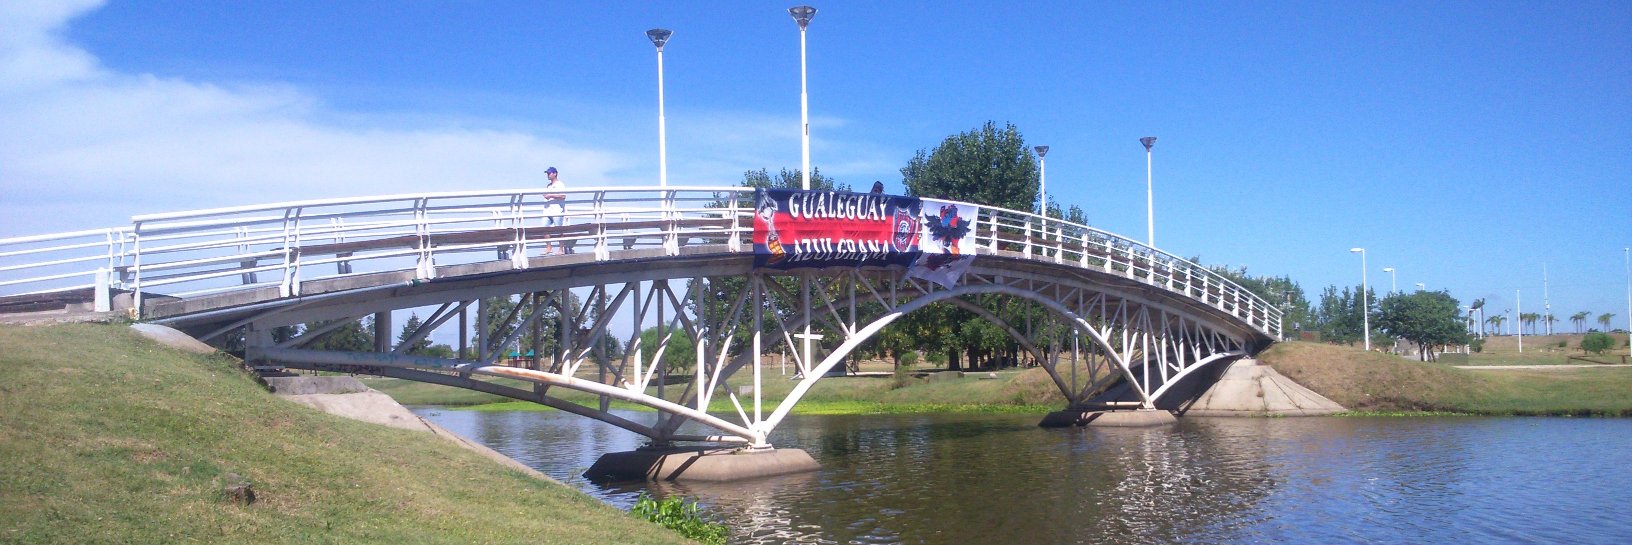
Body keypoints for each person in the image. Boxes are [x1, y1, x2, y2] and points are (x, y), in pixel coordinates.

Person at [542, 167, 567, 255]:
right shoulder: (548, 186)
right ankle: (549, 247)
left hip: (557, 210)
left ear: (555, 174)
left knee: (558, 230)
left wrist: (551, 195)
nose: (548, 175)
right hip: (548, 210)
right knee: (544, 228)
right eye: (547, 173)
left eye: (549, 173)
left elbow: (563, 196)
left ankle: (561, 249)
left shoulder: (560, 184)